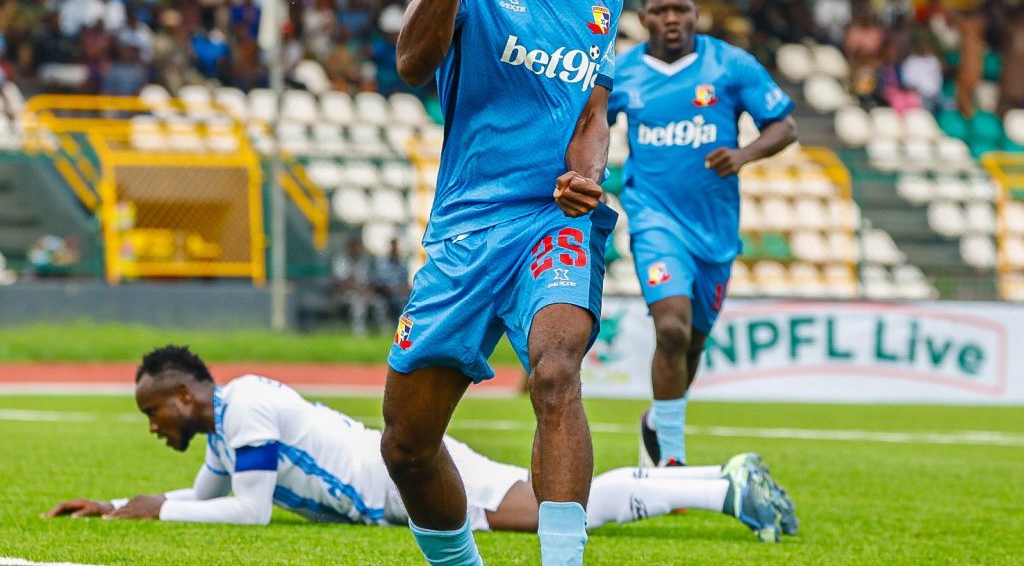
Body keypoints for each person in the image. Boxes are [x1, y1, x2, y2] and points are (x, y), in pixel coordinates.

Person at [382, 0, 635, 566]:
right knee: (406, 446)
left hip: (553, 218)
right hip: (468, 224)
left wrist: (587, 172)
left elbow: (593, 110)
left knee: (555, 371)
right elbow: (412, 62)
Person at [44, 345, 793, 544]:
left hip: (413, 477)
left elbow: (248, 515)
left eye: (154, 412)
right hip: (403, 481)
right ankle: (713, 482)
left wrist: (154, 512)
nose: (154, 426)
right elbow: (208, 496)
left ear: (185, 396)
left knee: (559, 513)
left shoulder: (249, 409)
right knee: (557, 506)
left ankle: (720, 488)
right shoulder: (226, 430)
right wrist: (119, 506)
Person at [608, 0, 798, 487]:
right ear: (644, 17)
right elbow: (588, 128)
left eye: (682, 10)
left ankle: (657, 421)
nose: (673, 19)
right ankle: (671, 459)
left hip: (715, 228)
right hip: (653, 218)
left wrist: (742, 155)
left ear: (695, 13)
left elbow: (784, 125)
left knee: (691, 342)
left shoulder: (730, 65)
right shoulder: (622, 73)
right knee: (670, 328)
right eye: (662, 10)